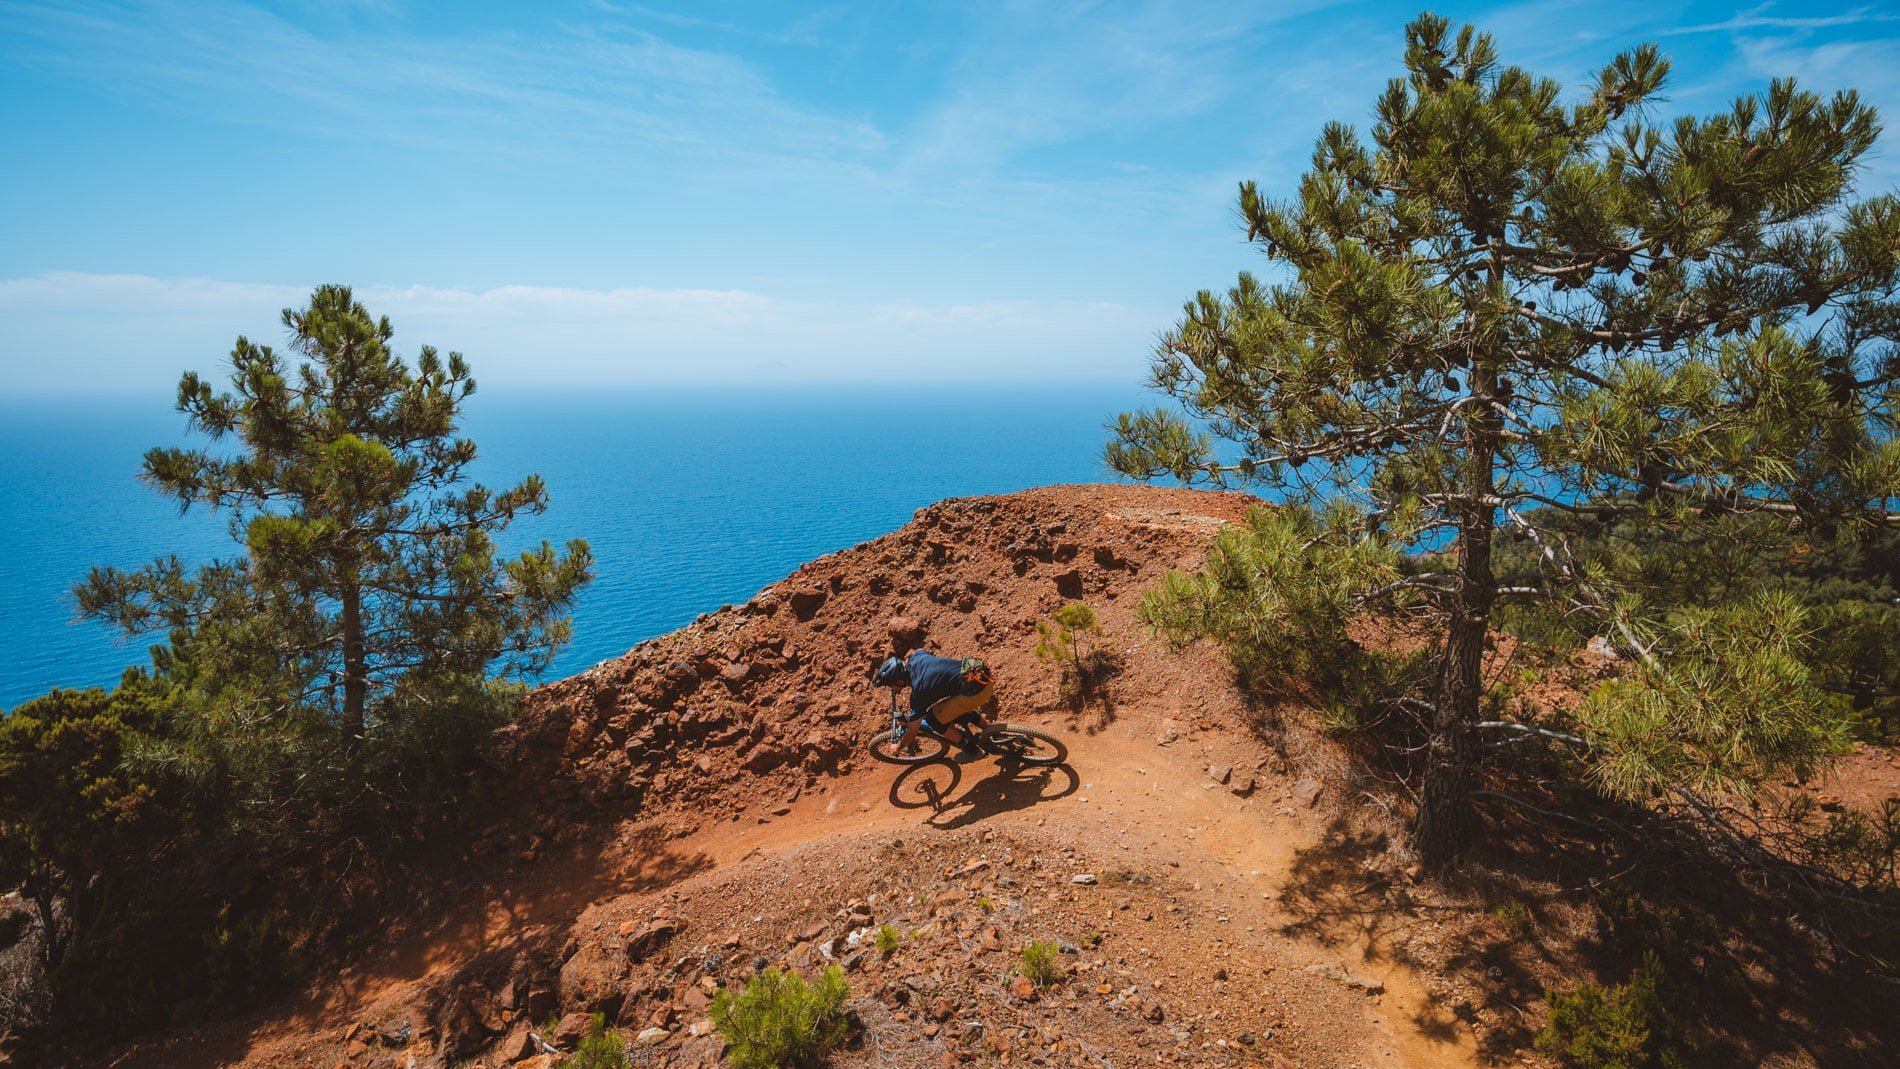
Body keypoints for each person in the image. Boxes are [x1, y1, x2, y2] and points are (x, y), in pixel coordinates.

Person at [873, 648, 996, 763]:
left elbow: (912, 732)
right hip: (979, 671)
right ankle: (990, 731)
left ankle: (972, 751)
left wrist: (899, 747)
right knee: (950, 708)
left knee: (933, 719)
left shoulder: (919, 691)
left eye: (891, 685)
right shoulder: (916, 657)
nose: (891, 688)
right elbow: (920, 651)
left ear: (899, 681)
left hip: (979, 691)